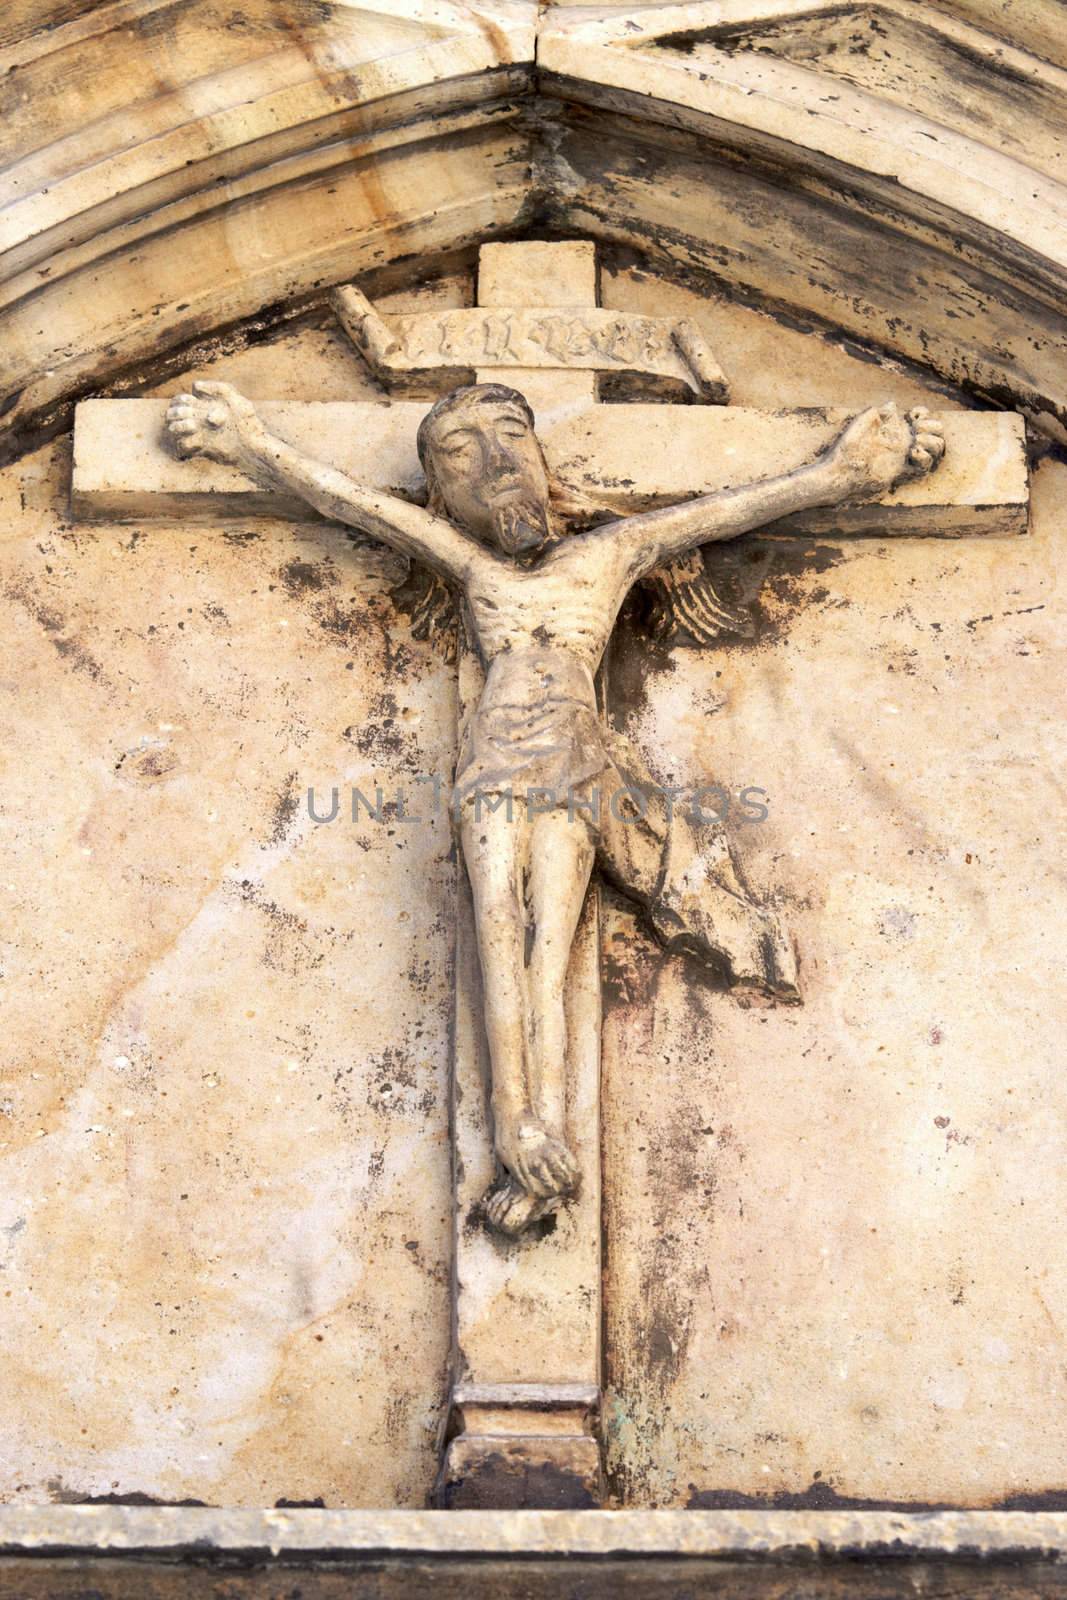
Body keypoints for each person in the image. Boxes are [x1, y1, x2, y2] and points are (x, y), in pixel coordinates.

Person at [166, 378, 945, 1233]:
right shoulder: (473, 569)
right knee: (498, 922)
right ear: (439, 484)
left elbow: (722, 513)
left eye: (510, 437)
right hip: (493, 766)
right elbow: (358, 506)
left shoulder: (606, 556)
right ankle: (515, 1120)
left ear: (540, 458)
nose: (496, 464)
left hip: (572, 769)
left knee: (549, 944)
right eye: (459, 452)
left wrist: (845, 473)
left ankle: (544, 1130)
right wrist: (247, 444)